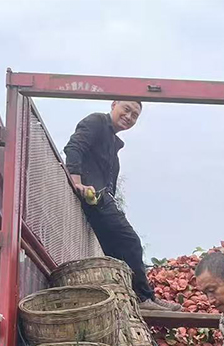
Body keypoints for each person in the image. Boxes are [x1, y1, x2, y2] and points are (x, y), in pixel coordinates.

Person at [64, 100, 180, 311]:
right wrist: (76, 181)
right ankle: (145, 298)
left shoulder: (113, 147)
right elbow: (73, 147)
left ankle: (130, 299)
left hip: (102, 201)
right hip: (95, 198)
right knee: (131, 242)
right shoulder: (96, 122)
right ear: (114, 104)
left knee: (115, 256)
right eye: (126, 109)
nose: (129, 116)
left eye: (134, 115)